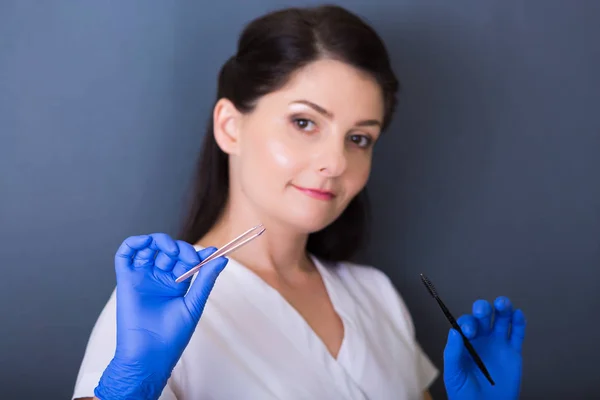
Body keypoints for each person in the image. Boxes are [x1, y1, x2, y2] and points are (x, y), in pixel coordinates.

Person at [72, 5, 526, 400]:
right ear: (230, 126)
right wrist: (127, 388)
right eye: (305, 122)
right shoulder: (155, 309)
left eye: (359, 137)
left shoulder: (375, 295)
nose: (335, 162)